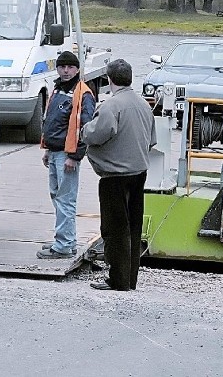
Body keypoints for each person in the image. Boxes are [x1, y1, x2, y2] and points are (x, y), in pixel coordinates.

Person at [81, 58, 156, 291]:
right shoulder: (144, 106)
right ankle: (130, 279)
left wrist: (83, 129)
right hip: (139, 173)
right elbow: (152, 141)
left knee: (115, 228)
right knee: (133, 227)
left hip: (114, 176)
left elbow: (96, 134)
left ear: (109, 79)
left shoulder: (111, 106)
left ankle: (118, 280)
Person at [37, 51, 96, 259]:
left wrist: (75, 156)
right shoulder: (58, 90)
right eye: (62, 67)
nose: (65, 70)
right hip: (54, 152)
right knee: (57, 197)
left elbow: (85, 127)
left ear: (77, 69)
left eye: (70, 67)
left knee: (65, 199)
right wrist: (47, 149)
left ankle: (64, 245)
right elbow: (51, 120)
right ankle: (65, 239)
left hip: (67, 155)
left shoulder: (83, 94)